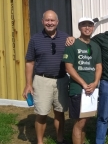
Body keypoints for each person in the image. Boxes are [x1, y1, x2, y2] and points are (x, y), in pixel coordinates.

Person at [66, 10, 108, 144]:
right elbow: (84, 39)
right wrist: (71, 38)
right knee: (103, 116)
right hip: (107, 83)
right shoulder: (101, 38)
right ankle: (99, 141)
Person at [22, 10, 69, 144]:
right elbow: (29, 62)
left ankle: (60, 140)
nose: (50, 23)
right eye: (47, 20)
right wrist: (28, 84)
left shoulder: (66, 38)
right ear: (42, 22)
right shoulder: (35, 39)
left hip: (61, 80)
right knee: (41, 114)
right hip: (42, 80)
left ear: (57, 22)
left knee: (60, 113)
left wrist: (73, 39)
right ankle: (40, 142)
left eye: (52, 20)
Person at [62, 17, 102, 144]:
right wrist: (84, 84)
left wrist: (95, 83)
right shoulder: (72, 44)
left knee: (86, 121)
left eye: (90, 25)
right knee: (80, 123)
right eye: (84, 25)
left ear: (93, 28)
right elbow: (68, 68)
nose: (87, 28)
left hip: (92, 90)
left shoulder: (95, 46)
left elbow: (98, 66)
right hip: (78, 89)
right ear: (79, 27)